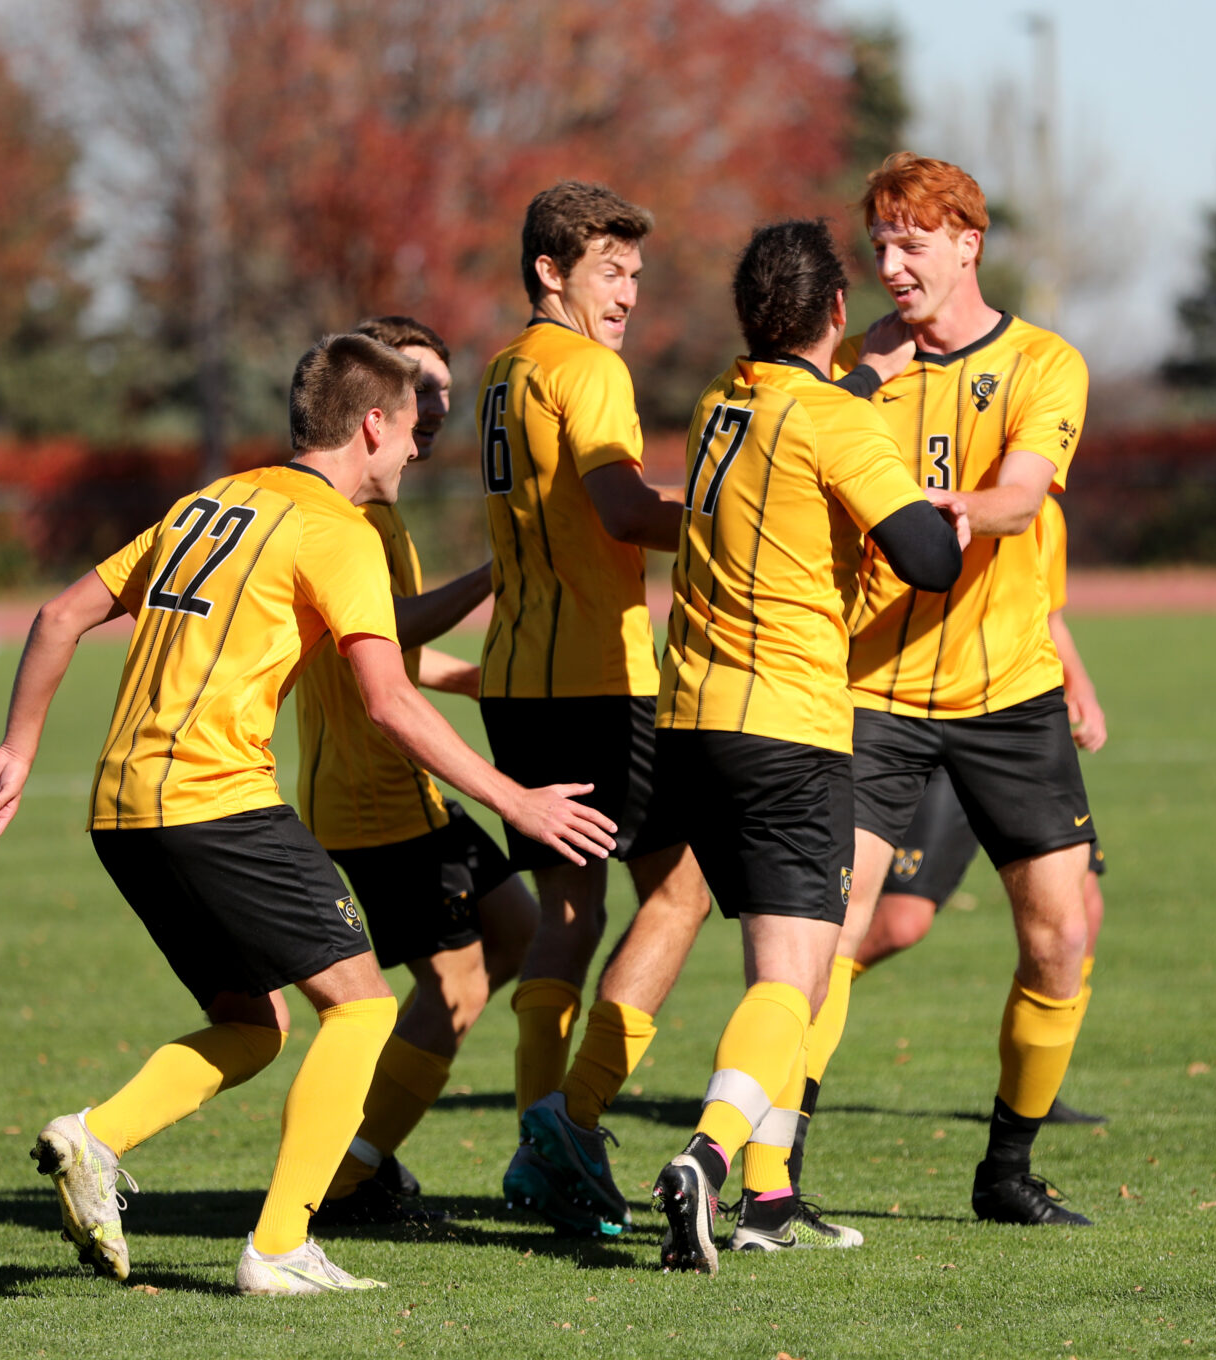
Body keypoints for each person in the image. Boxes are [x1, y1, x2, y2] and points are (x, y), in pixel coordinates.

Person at [0, 333, 614, 1295]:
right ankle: (280, 1246)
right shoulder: (335, 531)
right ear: (371, 423)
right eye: (411, 426)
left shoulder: (207, 501)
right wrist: (515, 798)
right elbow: (388, 697)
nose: (419, 446)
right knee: (364, 1008)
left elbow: (57, 616)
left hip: (122, 807)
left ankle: (96, 1137)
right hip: (216, 798)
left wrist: (17, 748)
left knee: (252, 1025)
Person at [645, 218, 966, 1273]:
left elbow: (807, 416)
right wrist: (962, 512)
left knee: (774, 973)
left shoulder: (717, 404)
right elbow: (920, 555)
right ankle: (708, 1157)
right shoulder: (835, 420)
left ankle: (770, 1203)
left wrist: (860, 380)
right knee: (795, 981)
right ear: (836, 311)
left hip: (690, 723)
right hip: (786, 727)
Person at [809, 152, 1101, 1228]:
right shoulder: (853, 374)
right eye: (879, 243)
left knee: (1058, 939)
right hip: (872, 694)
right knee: (828, 931)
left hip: (1007, 696)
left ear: (967, 243)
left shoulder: (1042, 363)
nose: (891, 263)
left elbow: (1025, 495)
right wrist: (854, 386)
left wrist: (957, 510)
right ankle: (774, 1168)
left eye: (911, 242)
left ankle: (1007, 1172)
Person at [471, 182, 717, 1239]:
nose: (627, 292)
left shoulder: (501, 370)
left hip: (516, 686)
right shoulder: (588, 369)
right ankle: (569, 1122)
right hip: (601, 681)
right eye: (608, 271)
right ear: (549, 272)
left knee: (570, 909)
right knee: (681, 889)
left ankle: (542, 1142)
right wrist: (728, 522)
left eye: (633, 273)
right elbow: (620, 505)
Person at [297, 315, 542, 1227]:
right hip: (374, 794)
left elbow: (383, 639)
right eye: (421, 389)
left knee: (510, 931)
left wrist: (481, 680)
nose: (438, 406)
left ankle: (361, 1149)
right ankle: (349, 1177)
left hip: (401, 788)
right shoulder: (355, 508)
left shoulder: (378, 505)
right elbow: (393, 643)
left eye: (445, 387)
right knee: (460, 983)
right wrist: (496, 575)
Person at [853, 499, 1109, 1126]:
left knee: (1083, 911)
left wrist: (1081, 686)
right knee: (901, 922)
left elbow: (1046, 613)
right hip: (933, 719)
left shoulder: (1042, 508)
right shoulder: (932, 499)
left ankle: (1036, 1093)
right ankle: (787, 1013)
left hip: (1017, 723)